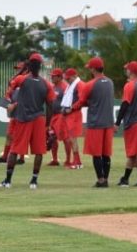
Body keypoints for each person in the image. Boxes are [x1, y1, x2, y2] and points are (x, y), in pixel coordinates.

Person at [0, 53, 55, 189]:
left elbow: (10, 86)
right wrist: (48, 125)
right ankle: (34, 181)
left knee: (14, 150)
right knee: (39, 151)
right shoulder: (46, 84)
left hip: (24, 119)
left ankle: (7, 180)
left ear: (29, 65)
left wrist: (21, 70)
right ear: (40, 66)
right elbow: (50, 106)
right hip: (39, 119)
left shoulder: (21, 79)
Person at [70, 56, 115, 188]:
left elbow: (81, 102)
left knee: (96, 153)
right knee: (106, 153)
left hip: (96, 123)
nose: (89, 70)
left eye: (90, 68)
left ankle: (100, 180)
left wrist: (70, 108)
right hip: (108, 122)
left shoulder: (90, 84)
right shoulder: (110, 82)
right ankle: (106, 178)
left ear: (94, 69)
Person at [114, 62, 137, 187]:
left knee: (135, 152)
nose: (126, 71)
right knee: (133, 152)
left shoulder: (130, 85)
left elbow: (125, 104)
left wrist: (117, 123)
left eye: (127, 69)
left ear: (132, 71)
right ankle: (125, 179)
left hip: (133, 123)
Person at [60, 68, 84, 169]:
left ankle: (77, 162)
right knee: (70, 138)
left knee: (73, 138)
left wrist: (72, 108)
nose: (67, 80)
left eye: (68, 78)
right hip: (68, 114)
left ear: (74, 76)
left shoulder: (79, 84)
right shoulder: (72, 85)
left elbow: (82, 99)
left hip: (73, 114)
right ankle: (76, 160)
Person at [48, 68, 65, 167]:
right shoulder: (52, 87)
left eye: (53, 76)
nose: (52, 77)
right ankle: (55, 159)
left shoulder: (64, 87)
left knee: (65, 138)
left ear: (59, 77)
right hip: (53, 115)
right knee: (52, 137)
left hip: (61, 115)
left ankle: (68, 159)